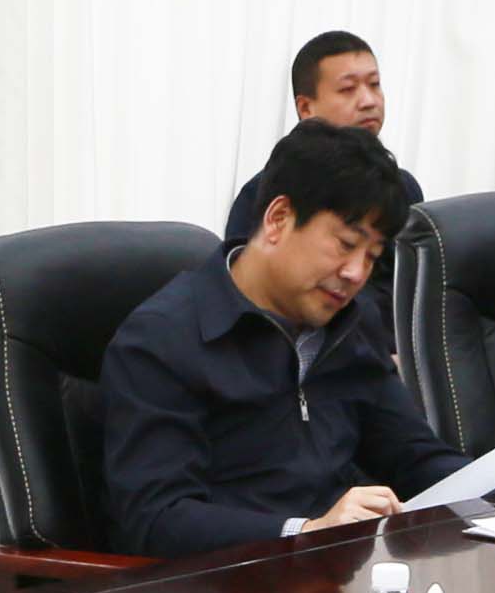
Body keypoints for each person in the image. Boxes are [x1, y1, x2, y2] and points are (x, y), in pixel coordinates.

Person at [91, 118, 454, 556]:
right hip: (219, 588)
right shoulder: (162, 340)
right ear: (278, 219)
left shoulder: (352, 326)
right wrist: (306, 531)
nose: (356, 273)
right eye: (345, 244)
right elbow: (154, 519)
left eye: (372, 256)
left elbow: (414, 457)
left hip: (337, 575)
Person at [214, 29, 384, 248]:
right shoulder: (264, 194)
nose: (369, 101)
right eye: (348, 89)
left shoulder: (401, 187)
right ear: (306, 108)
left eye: (374, 84)